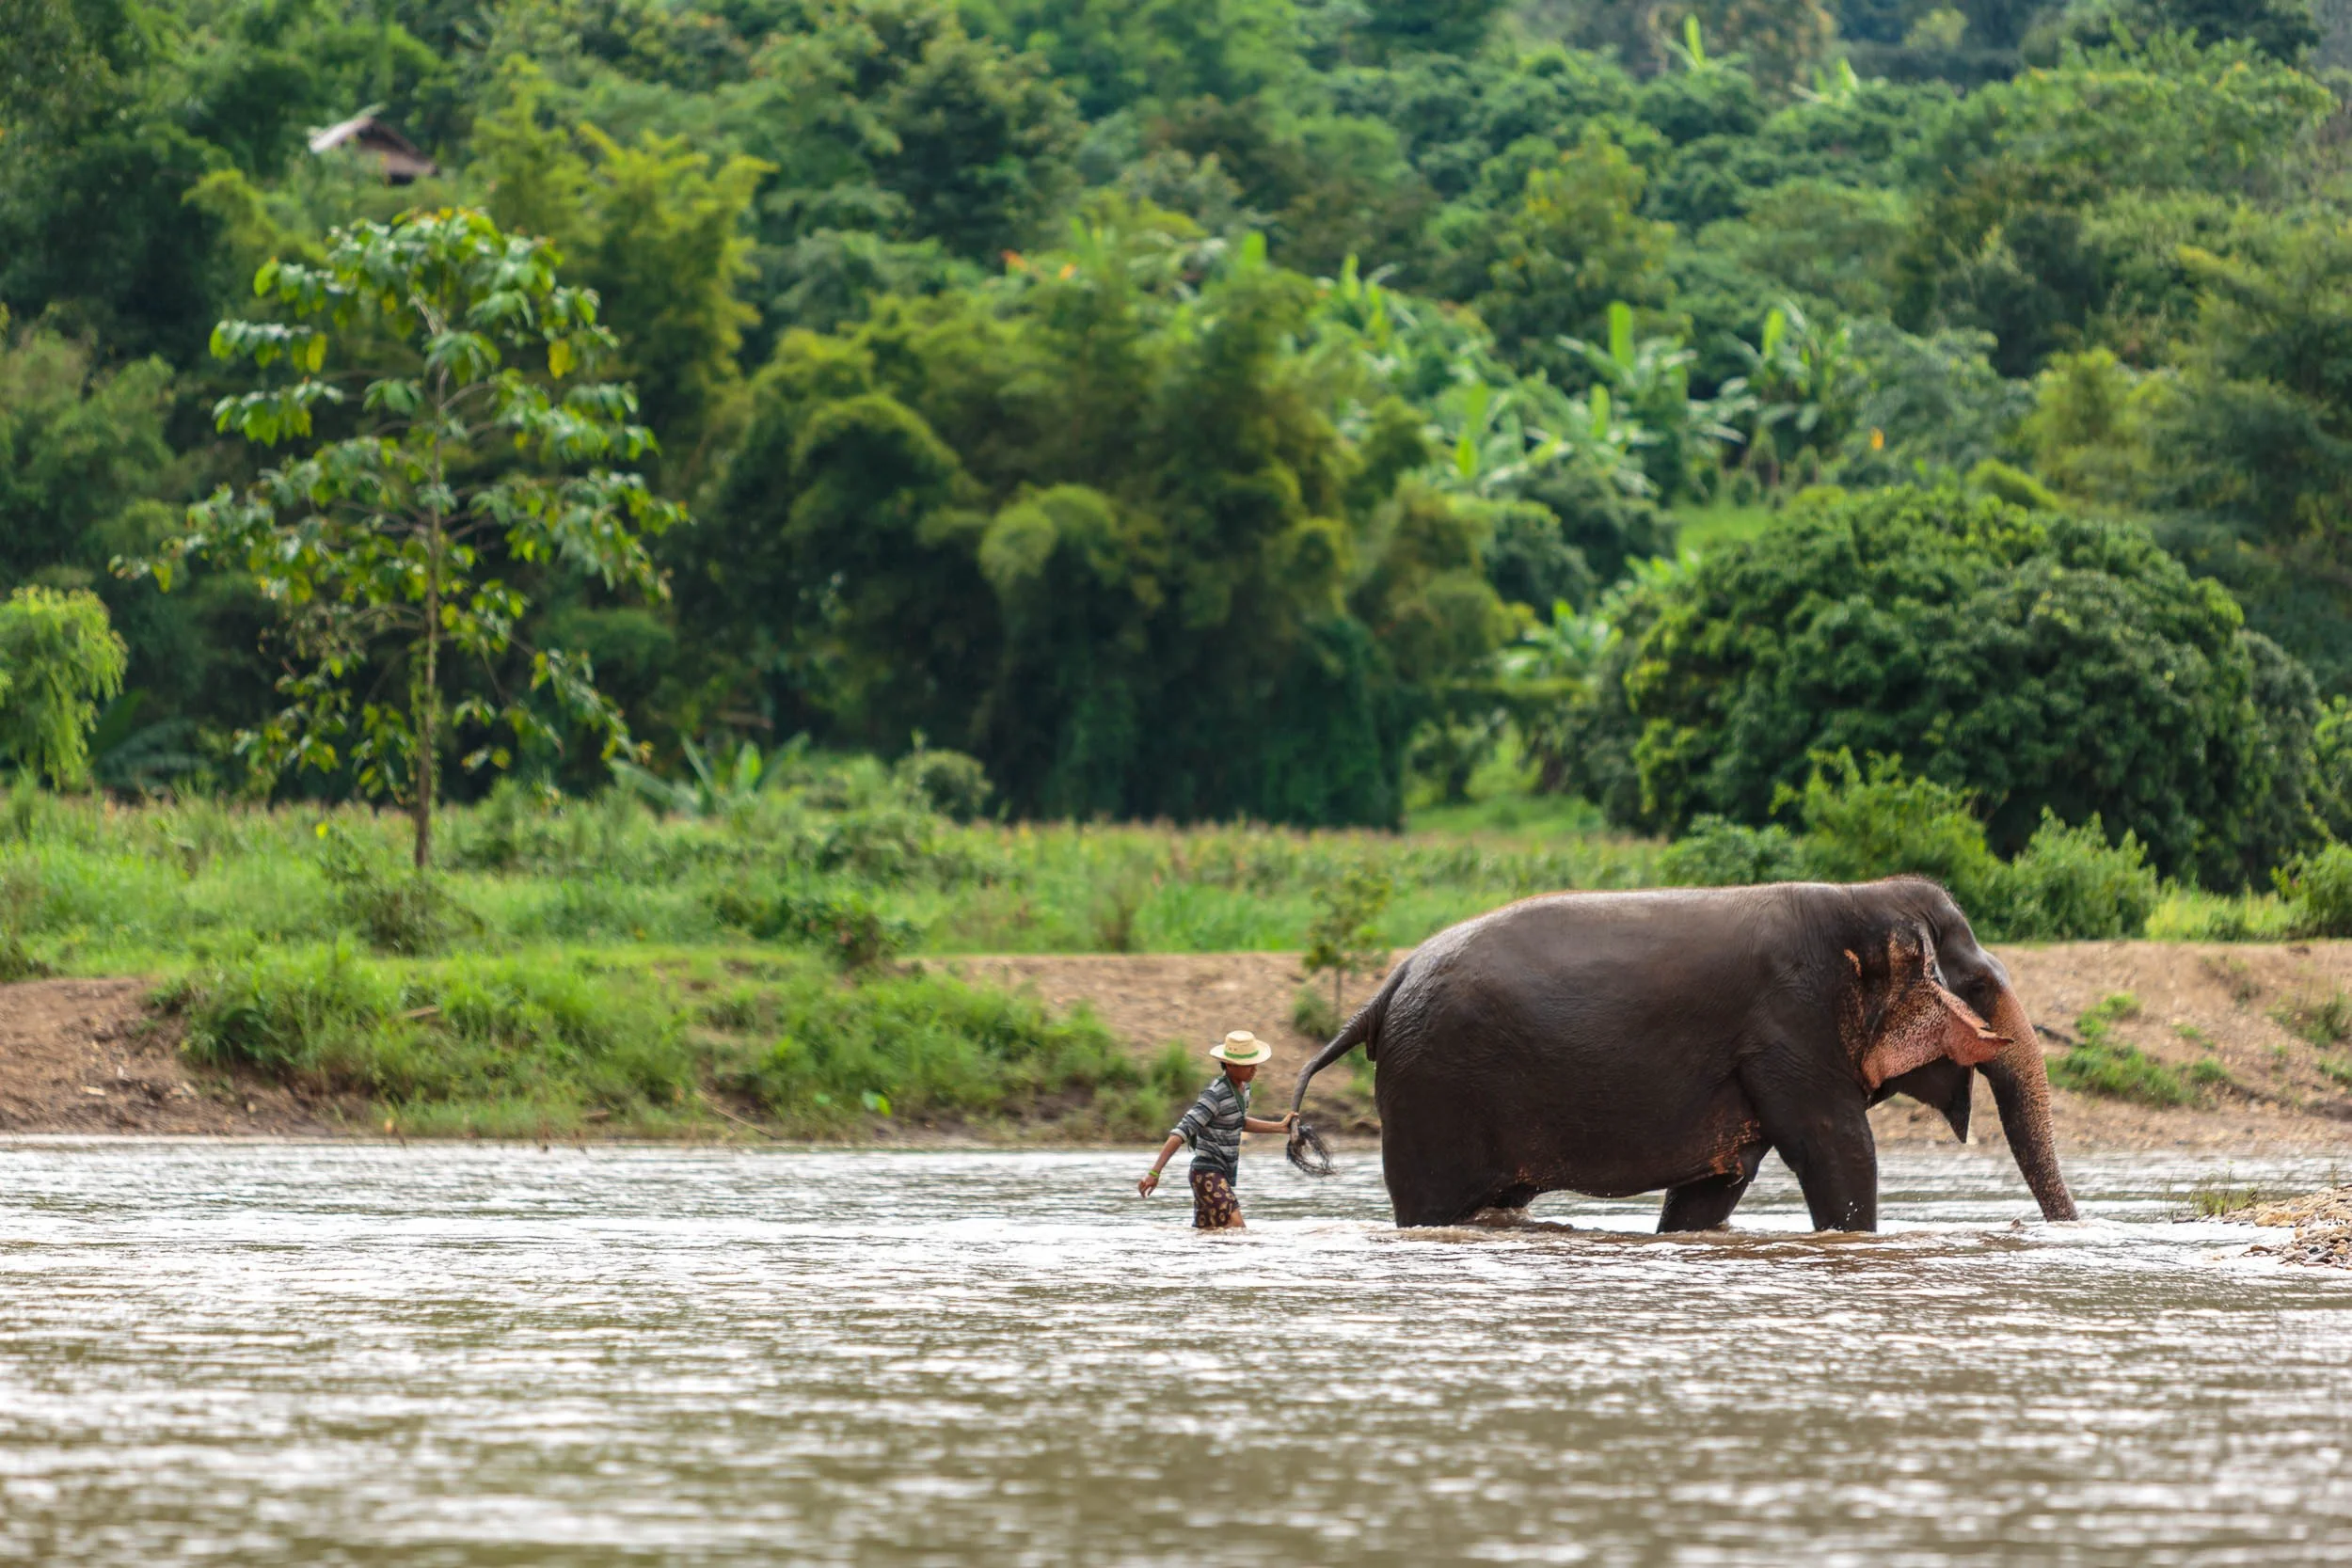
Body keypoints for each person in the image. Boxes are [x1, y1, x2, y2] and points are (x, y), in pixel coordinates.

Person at [1137, 1030, 1298, 1229]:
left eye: (1255, 1063)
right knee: (1237, 1226)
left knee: (1209, 1235)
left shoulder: (1243, 1088)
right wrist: (1154, 1173)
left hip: (1220, 1172)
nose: (1254, 1069)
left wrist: (1280, 1127)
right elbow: (1180, 1133)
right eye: (1248, 1065)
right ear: (1230, 1065)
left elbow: (1238, 1121)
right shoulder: (1214, 1095)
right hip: (1207, 1173)